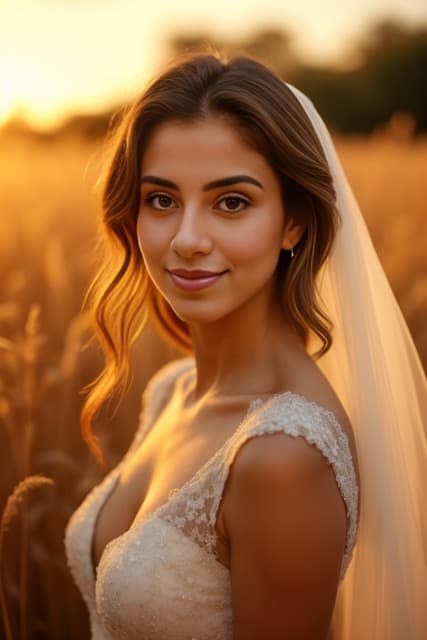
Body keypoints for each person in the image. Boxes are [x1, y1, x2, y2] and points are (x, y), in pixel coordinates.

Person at [64, 52, 426, 640]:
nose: (187, 239)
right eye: (161, 200)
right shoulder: (172, 391)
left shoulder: (283, 455)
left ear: (294, 222)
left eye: (231, 202)